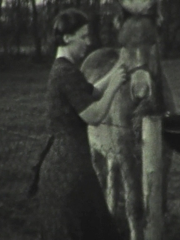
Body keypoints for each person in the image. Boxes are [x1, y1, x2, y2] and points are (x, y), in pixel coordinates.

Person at [36, 8, 126, 240]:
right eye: (83, 36)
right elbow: (94, 115)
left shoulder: (63, 70)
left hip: (62, 167)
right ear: (67, 37)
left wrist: (117, 69)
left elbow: (93, 91)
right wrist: (115, 85)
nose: (89, 42)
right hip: (70, 171)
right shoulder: (66, 73)